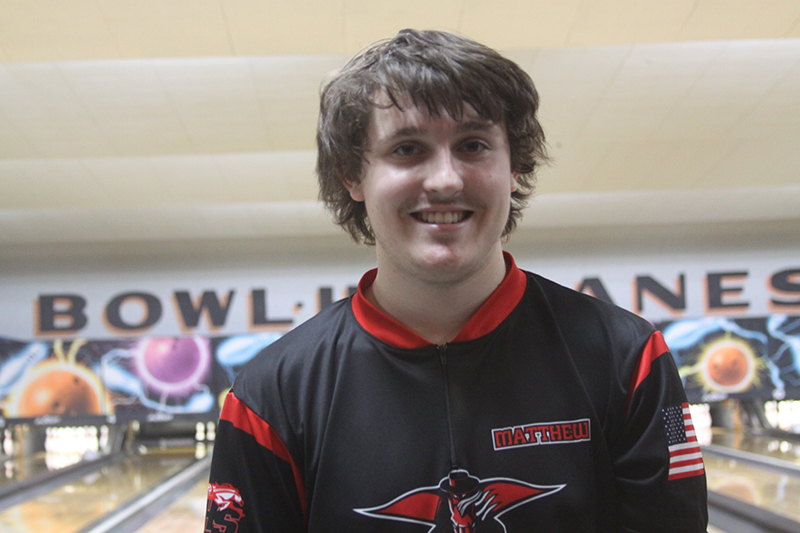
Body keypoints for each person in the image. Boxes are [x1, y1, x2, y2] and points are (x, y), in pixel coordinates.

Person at [205, 29, 708, 532]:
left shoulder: (629, 358)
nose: (445, 180)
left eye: (473, 145)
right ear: (351, 176)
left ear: (515, 167)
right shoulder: (271, 396)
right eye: (407, 149)